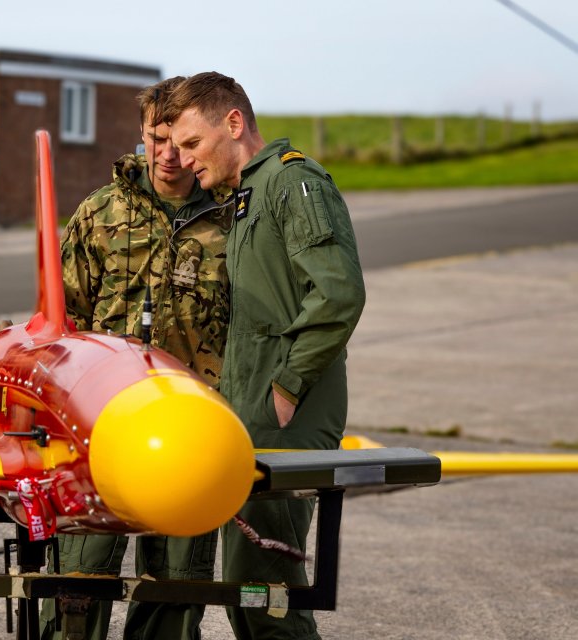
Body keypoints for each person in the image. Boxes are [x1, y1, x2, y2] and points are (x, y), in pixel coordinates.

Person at [164, 72, 366, 640]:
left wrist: (285, 388)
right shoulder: (250, 194)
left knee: (267, 598)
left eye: (192, 144)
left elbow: (338, 293)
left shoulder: (293, 183)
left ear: (233, 124)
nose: (182, 159)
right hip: (253, 417)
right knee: (251, 596)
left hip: (286, 422)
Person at [38, 77, 233, 640]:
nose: (168, 155)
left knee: (174, 592)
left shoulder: (231, 220)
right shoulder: (100, 214)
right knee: (77, 583)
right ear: (141, 134)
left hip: (187, 432)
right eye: (155, 138)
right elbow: (59, 324)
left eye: (179, 140)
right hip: (99, 429)